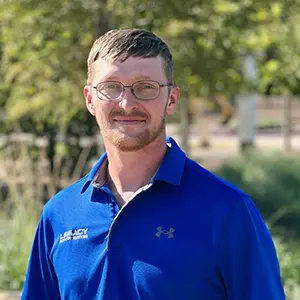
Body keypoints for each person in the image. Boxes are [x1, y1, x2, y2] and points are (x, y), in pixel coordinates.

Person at [21, 28, 285, 300]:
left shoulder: (228, 211)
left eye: (145, 87)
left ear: (171, 99)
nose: (126, 103)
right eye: (111, 87)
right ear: (90, 99)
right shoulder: (60, 214)